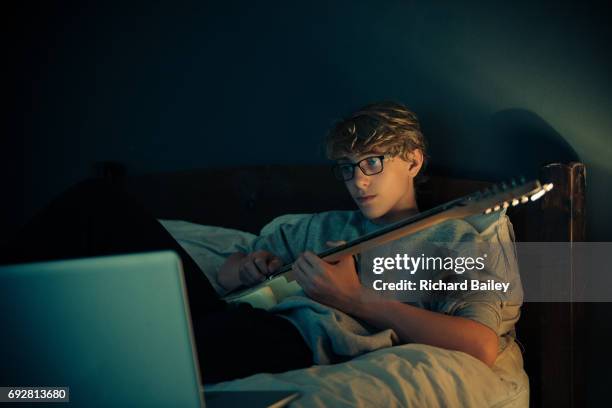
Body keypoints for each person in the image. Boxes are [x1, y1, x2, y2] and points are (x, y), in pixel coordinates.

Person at [0, 101, 513, 384]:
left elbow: (481, 345)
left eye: (373, 162)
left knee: (111, 357)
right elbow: (226, 279)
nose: (359, 181)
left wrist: (356, 300)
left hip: (292, 339)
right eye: (347, 169)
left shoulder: (458, 235)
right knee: (95, 201)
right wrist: (247, 267)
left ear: (414, 160)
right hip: (231, 311)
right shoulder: (313, 227)